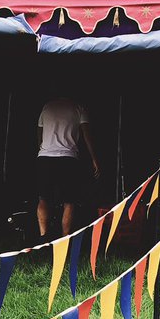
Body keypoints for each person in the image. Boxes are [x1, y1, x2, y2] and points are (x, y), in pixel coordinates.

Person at [37, 94, 100, 237]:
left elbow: (39, 133)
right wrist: (94, 158)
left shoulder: (47, 106)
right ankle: (65, 238)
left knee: (43, 198)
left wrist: (41, 149)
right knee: (69, 201)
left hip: (45, 157)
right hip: (68, 158)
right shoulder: (79, 107)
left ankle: (43, 237)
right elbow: (87, 134)